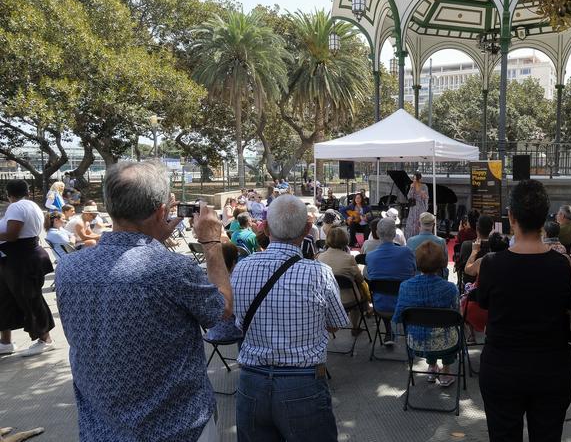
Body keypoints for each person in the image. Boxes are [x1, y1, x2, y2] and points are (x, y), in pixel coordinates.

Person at [55, 161, 233, 441]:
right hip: (179, 428)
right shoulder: (173, 269)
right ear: (162, 211)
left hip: (102, 429)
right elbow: (221, 309)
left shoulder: (68, 268)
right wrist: (211, 244)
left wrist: (152, 239)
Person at [231, 194, 348, 441]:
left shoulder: (242, 268)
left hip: (251, 380)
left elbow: (235, 318)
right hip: (303, 381)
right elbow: (336, 323)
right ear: (308, 229)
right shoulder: (319, 273)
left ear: (264, 227)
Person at [475, 180, 571, 441]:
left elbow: (482, 303)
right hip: (552, 368)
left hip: (502, 368)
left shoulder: (491, 264)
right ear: (546, 218)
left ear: (511, 217)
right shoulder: (562, 265)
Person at [0, 180, 55, 357]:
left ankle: (45, 339)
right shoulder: (31, 205)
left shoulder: (16, 207)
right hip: (19, 258)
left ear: (8, 193)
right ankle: (5, 342)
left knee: (29, 299)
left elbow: (12, 235)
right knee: (6, 299)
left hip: (21, 259)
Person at [392, 242, 460, 387]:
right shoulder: (450, 288)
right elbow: (457, 316)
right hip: (446, 343)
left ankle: (431, 367)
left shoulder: (405, 286)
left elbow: (398, 317)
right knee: (448, 331)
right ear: (441, 263)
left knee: (427, 327)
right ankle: (446, 373)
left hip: (416, 342)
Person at [366, 217, 416, 347]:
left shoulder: (370, 256)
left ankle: (389, 331)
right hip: (405, 304)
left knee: (383, 292)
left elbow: (369, 276)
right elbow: (413, 272)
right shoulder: (406, 252)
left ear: (377, 233)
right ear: (394, 234)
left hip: (381, 305)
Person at [317, 226, 370, 329]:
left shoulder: (320, 257)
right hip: (348, 298)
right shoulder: (349, 258)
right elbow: (360, 279)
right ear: (345, 240)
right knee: (361, 288)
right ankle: (356, 326)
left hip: (327, 298)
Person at [457, 215, 494, 285]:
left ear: (477, 228)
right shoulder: (496, 245)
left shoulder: (467, 245)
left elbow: (464, 268)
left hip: (470, 283)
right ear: (492, 228)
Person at [404, 172, 429, 238]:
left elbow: (426, 197)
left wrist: (422, 193)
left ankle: (420, 237)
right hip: (413, 206)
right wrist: (411, 188)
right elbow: (409, 196)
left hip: (421, 206)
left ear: (420, 179)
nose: (414, 180)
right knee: (411, 222)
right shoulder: (412, 185)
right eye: (414, 179)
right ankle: (410, 237)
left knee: (420, 222)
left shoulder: (424, 186)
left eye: (416, 179)